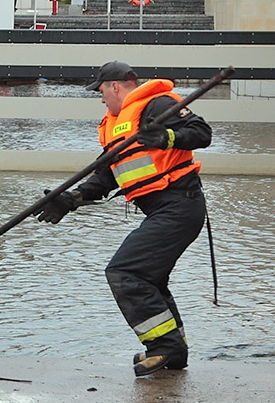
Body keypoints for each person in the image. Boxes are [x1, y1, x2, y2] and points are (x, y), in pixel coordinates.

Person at [36, 61, 212, 377]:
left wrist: (166, 137)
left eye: (101, 91)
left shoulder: (157, 104)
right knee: (149, 279)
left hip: (180, 205)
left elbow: (201, 132)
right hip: (164, 210)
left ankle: (163, 346)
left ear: (115, 86)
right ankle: (174, 350)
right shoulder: (116, 127)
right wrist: (70, 200)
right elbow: (105, 179)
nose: (101, 99)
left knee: (125, 272)